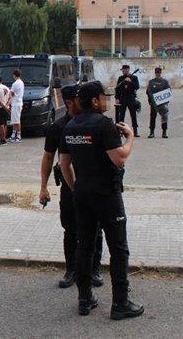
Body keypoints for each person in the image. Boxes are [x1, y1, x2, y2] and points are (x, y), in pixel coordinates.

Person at [59, 81, 143, 320]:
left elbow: (64, 164)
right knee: (118, 248)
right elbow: (120, 159)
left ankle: (84, 299)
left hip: (82, 194)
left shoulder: (71, 125)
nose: (106, 100)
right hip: (107, 194)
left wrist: (76, 188)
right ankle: (120, 303)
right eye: (103, 97)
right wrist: (131, 137)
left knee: (84, 245)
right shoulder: (104, 125)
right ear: (94, 101)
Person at [40, 84, 104, 289]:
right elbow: (49, 157)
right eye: (78, 98)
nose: (83, 100)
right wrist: (43, 187)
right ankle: (72, 270)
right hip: (70, 187)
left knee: (96, 229)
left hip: (94, 185)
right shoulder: (58, 127)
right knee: (71, 229)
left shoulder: (94, 123)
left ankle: (94, 270)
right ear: (70, 102)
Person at [115, 65, 140, 137]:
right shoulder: (121, 78)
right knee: (121, 115)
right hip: (122, 98)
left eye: (124, 70)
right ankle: (121, 131)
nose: (122, 71)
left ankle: (135, 131)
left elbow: (137, 87)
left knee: (133, 115)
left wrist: (131, 82)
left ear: (127, 70)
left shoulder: (134, 77)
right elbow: (117, 88)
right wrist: (117, 98)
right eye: (122, 70)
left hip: (131, 98)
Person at [146, 67, 171, 139]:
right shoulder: (151, 82)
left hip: (162, 103)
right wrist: (150, 101)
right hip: (154, 103)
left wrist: (166, 101)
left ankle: (164, 132)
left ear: (160, 73)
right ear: (155, 73)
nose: (157, 74)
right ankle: (151, 132)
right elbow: (148, 92)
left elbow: (168, 91)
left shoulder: (165, 82)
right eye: (156, 73)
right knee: (152, 117)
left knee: (164, 117)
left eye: (159, 73)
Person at [9, 69, 25, 142]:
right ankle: (13, 134)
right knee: (14, 120)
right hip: (19, 103)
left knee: (17, 120)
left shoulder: (15, 84)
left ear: (14, 75)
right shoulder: (21, 82)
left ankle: (18, 136)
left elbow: (11, 93)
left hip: (16, 103)